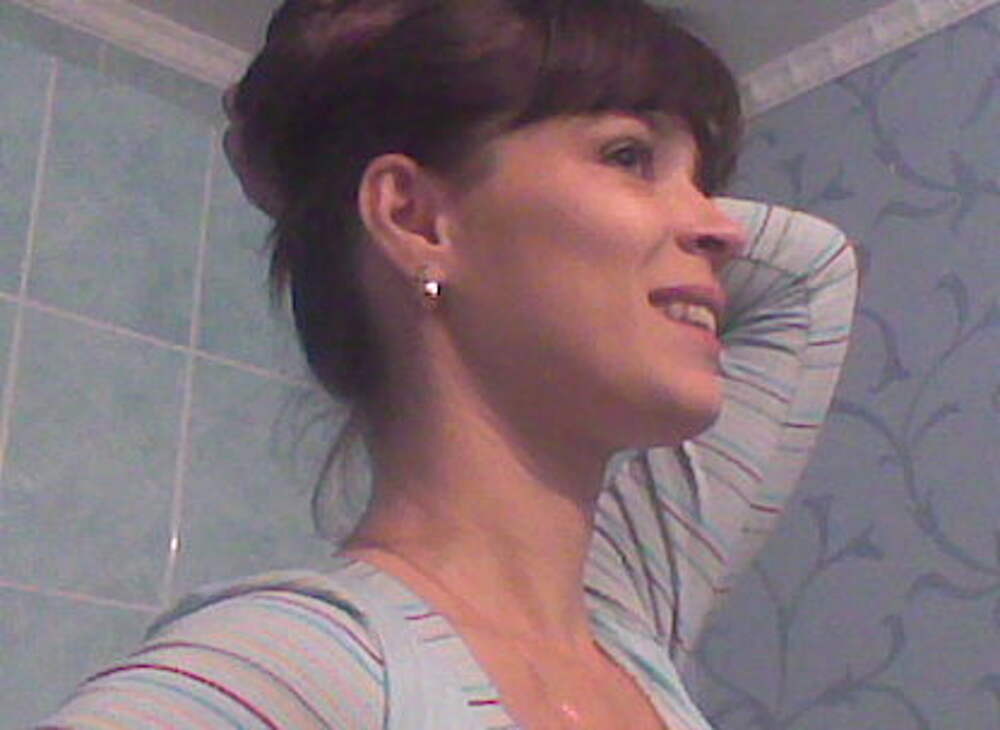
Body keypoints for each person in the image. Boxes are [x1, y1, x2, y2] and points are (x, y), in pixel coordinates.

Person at [38, 0, 858, 728]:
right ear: (416, 218)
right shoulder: (300, 662)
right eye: (629, 156)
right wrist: (340, 197)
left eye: (702, 180)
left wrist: (327, 184)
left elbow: (812, 272)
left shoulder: (625, 618)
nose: (722, 229)